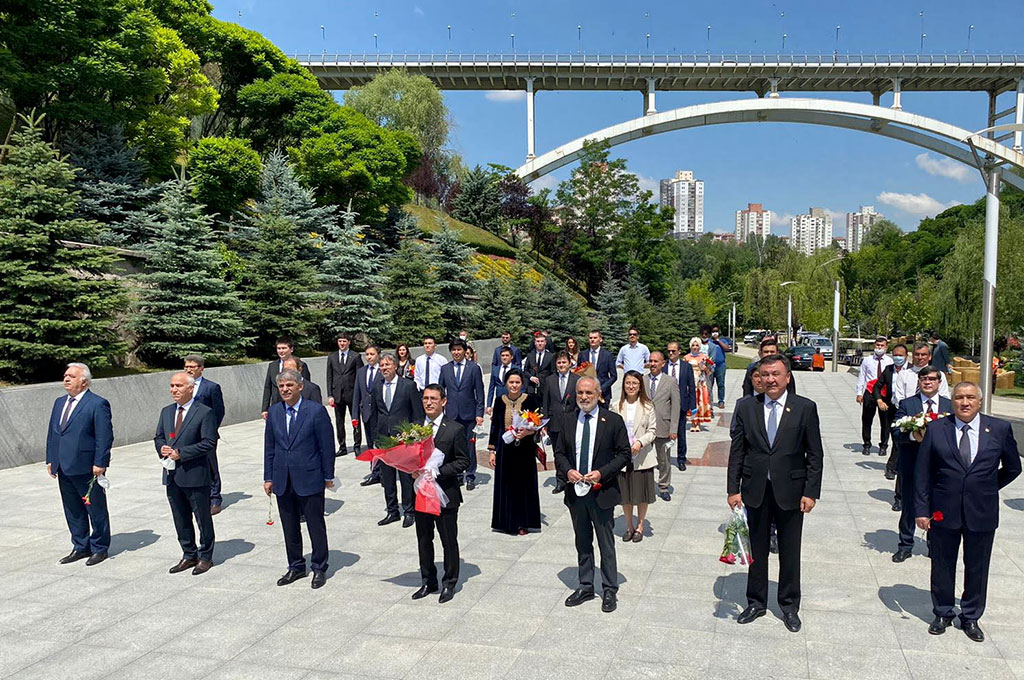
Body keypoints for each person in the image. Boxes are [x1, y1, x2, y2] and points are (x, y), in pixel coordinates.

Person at [915, 382, 1021, 642]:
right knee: (942, 564)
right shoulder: (938, 429)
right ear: (952, 401)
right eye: (960, 397)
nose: (965, 402)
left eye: (970, 397)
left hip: (981, 511)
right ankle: (942, 612)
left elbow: (1012, 467)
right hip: (943, 511)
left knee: (977, 566)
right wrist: (921, 510)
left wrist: (986, 487)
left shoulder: (998, 429)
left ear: (980, 401)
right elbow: (922, 473)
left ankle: (971, 616)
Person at [728, 354, 823, 632]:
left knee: (790, 550)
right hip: (755, 489)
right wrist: (733, 489)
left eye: (775, 374)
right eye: (765, 374)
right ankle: (756, 601)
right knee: (756, 549)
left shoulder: (804, 408)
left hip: (791, 492)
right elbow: (737, 451)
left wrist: (811, 492)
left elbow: (814, 454)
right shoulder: (747, 407)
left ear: (787, 377)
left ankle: (789, 605)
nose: (769, 379)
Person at [555, 376, 631, 613]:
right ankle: (586, 585)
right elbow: (559, 453)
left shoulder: (613, 421)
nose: (584, 397)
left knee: (605, 543)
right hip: (576, 493)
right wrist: (568, 471)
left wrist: (601, 473)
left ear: (598, 394)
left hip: (602, 492)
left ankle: (609, 589)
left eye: (589, 393)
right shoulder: (568, 421)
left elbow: (624, 454)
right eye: (580, 393)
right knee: (582, 541)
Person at [263, 368, 336, 589]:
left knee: (315, 524)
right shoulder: (274, 412)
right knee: (289, 525)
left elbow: (327, 446)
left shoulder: (315, 411)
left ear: (300, 387)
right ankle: (295, 566)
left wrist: (328, 475)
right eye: (282, 386)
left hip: (310, 477)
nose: (285, 389)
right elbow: (269, 447)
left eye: (289, 385)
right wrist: (268, 477)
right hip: (283, 478)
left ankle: (319, 567)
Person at [46, 363, 113, 566]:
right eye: (65, 375)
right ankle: (80, 546)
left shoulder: (97, 404)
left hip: (86, 466)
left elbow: (104, 436)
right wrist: (51, 458)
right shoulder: (59, 402)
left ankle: (100, 547)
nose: (66, 379)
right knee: (72, 509)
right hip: (63, 465)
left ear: (84, 381)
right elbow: (53, 433)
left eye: (71, 376)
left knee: (95, 508)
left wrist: (100, 462)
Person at [412, 384, 471, 603]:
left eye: (433, 398)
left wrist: (437, 471)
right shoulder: (415, 427)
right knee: (424, 539)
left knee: (448, 540)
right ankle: (428, 580)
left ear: (443, 401)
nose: (429, 402)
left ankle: (450, 582)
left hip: (445, 493)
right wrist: (413, 470)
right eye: (426, 398)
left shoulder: (454, 429)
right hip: (421, 494)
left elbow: (463, 461)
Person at [155, 372, 218, 575]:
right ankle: (188, 554)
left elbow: (209, 442)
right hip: (172, 475)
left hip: (195, 474)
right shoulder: (166, 412)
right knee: (180, 518)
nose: (174, 389)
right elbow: (158, 437)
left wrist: (181, 453)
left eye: (179, 386)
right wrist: (162, 448)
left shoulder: (204, 412)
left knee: (202, 518)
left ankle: (206, 556)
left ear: (190, 388)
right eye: (172, 386)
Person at [891, 366, 951, 560]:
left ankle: (934, 544)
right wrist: (913, 434)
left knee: (937, 506)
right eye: (923, 378)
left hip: (940, 467)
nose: (927, 382)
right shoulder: (908, 404)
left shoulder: (949, 406)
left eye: (932, 379)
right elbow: (896, 431)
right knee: (909, 504)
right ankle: (905, 545)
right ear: (919, 381)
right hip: (913, 463)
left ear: (939, 382)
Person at [488, 369, 543, 535]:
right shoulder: (499, 401)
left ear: (522, 384)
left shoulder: (530, 400)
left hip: (524, 448)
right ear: (506, 383)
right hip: (505, 448)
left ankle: (522, 523)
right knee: (506, 485)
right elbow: (495, 426)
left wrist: (528, 432)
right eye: (511, 382)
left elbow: (537, 424)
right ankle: (506, 522)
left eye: (517, 382)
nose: (514, 385)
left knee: (523, 485)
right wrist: (492, 451)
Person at [373, 353, 425, 527]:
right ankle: (392, 511)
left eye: (387, 365)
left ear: (395, 366)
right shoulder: (377, 386)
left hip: (403, 440)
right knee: (387, 478)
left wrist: (412, 436)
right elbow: (374, 413)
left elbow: (417, 414)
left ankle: (410, 511)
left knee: (405, 477)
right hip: (384, 439)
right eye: (382, 365)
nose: (384, 368)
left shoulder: (408, 386)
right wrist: (375, 436)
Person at [611, 371, 657, 542]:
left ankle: (640, 526)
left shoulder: (648, 406)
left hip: (641, 456)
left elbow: (652, 431)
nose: (631, 386)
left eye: (635, 384)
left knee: (641, 495)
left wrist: (640, 443)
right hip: (622, 457)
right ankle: (629, 526)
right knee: (626, 495)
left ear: (640, 387)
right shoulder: (616, 406)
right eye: (628, 383)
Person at [438, 339, 485, 490]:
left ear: (465, 351)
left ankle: (470, 475)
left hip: (469, 414)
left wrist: (479, 413)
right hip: (451, 414)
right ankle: (457, 475)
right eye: (454, 350)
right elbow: (441, 391)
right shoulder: (445, 368)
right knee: (452, 446)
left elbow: (479, 391)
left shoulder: (473, 368)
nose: (456, 352)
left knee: (469, 445)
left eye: (459, 349)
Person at [184, 354, 226, 515]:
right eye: (186, 367)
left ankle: (215, 498)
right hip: (188, 435)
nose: (189, 370)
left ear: (201, 368)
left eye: (192, 367)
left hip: (206, 435)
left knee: (210, 465)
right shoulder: (182, 385)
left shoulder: (211, 387)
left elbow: (219, 411)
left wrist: (210, 430)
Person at [541, 352, 580, 493]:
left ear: (569, 363)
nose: (561, 365)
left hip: (572, 421)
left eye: (564, 362)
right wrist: (544, 423)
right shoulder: (550, 380)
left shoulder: (577, 379)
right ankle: (560, 480)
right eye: (559, 362)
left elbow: (580, 401)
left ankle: (573, 477)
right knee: (558, 452)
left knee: (572, 451)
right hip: (554, 422)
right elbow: (545, 402)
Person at [645, 351, 680, 501]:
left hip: (663, 426)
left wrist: (673, 429)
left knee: (663, 460)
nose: (653, 364)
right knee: (644, 458)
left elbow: (676, 406)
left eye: (656, 361)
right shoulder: (643, 380)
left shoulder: (670, 381)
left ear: (663, 363)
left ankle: (664, 486)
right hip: (645, 428)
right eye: (651, 361)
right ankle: (645, 486)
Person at [873, 344, 910, 477]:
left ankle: (892, 467)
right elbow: (877, 387)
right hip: (891, 407)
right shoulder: (889, 370)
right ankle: (893, 465)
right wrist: (879, 400)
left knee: (900, 438)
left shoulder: (912, 371)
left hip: (907, 409)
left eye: (901, 355)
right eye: (895, 355)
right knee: (893, 434)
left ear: (906, 356)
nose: (898, 357)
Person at [326, 333, 363, 456]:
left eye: (344, 341)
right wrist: (330, 395)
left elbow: (359, 375)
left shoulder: (355, 356)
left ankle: (357, 445)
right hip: (337, 395)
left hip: (352, 394)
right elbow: (329, 377)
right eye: (340, 341)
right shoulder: (332, 357)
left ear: (349, 342)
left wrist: (360, 393)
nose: (342, 343)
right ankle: (342, 447)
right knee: (339, 422)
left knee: (355, 420)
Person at [857, 336, 893, 456]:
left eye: (882, 345)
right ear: (874, 346)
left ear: (886, 347)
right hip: (870, 392)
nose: (879, 347)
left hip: (884, 394)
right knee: (867, 419)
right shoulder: (867, 360)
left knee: (885, 421)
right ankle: (866, 444)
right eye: (877, 345)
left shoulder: (890, 362)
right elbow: (862, 376)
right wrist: (859, 393)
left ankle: (883, 445)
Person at [261, 336, 311, 420]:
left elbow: (306, 387)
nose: (281, 351)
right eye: (279, 348)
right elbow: (268, 387)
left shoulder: (301, 365)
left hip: (294, 406)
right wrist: (265, 408)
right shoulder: (272, 366)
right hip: (277, 406)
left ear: (291, 349)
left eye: (284, 348)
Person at [353, 346, 383, 485]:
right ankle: (375, 472)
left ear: (378, 355)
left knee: (382, 444)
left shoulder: (383, 370)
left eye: (372, 354)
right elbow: (357, 395)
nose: (369, 357)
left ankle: (383, 471)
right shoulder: (361, 372)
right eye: (367, 354)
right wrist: (355, 415)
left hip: (381, 414)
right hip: (366, 414)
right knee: (371, 444)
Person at [666, 341, 697, 470]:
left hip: (682, 404)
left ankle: (681, 459)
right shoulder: (663, 367)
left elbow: (691, 386)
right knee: (664, 434)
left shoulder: (686, 367)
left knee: (681, 434)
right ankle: (664, 459)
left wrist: (692, 404)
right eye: (669, 351)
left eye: (673, 351)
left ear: (679, 352)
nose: (671, 353)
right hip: (666, 405)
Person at [685, 337, 714, 432]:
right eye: (693, 345)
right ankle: (693, 422)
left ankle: (698, 422)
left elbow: (710, 372)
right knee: (691, 402)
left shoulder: (704, 357)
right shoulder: (686, 358)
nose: (695, 347)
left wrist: (705, 368)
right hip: (690, 383)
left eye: (697, 345)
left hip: (700, 383)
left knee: (700, 402)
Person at [585, 330, 617, 404]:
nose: (592, 340)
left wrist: (602, 389)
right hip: (587, 394)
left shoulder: (608, 355)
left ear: (600, 339)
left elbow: (614, 376)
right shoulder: (583, 355)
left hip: (603, 394)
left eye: (595, 338)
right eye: (590, 338)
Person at [703, 324, 730, 409]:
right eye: (713, 331)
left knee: (721, 384)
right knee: (709, 384)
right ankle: (708, 401)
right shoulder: (709, 341)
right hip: (710, 366)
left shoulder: (723, 340)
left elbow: (726, 348)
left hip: (720, 365)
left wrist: (718, 340)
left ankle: (721, 401)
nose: (715, 333)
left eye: (716, 331)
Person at [523, 331, 555, 396]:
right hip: (531, 388)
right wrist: (530, 377)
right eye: (538, 341)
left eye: (542, 341)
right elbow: (525, 370)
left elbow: (553, 372)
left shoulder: (551, 356)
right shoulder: (530, 355)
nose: (540, 343)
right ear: (535, 343)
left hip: (545, 388)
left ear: (545, 342)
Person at [486, 347, 515, 415]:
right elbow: (491, 388)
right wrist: (489, 405)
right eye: (502, 355)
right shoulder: (495, 370)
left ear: (512, 357)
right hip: (499, 402)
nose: (504, 357)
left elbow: (521, 388)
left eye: (507, 355)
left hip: (512, 402)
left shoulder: (516, 369)